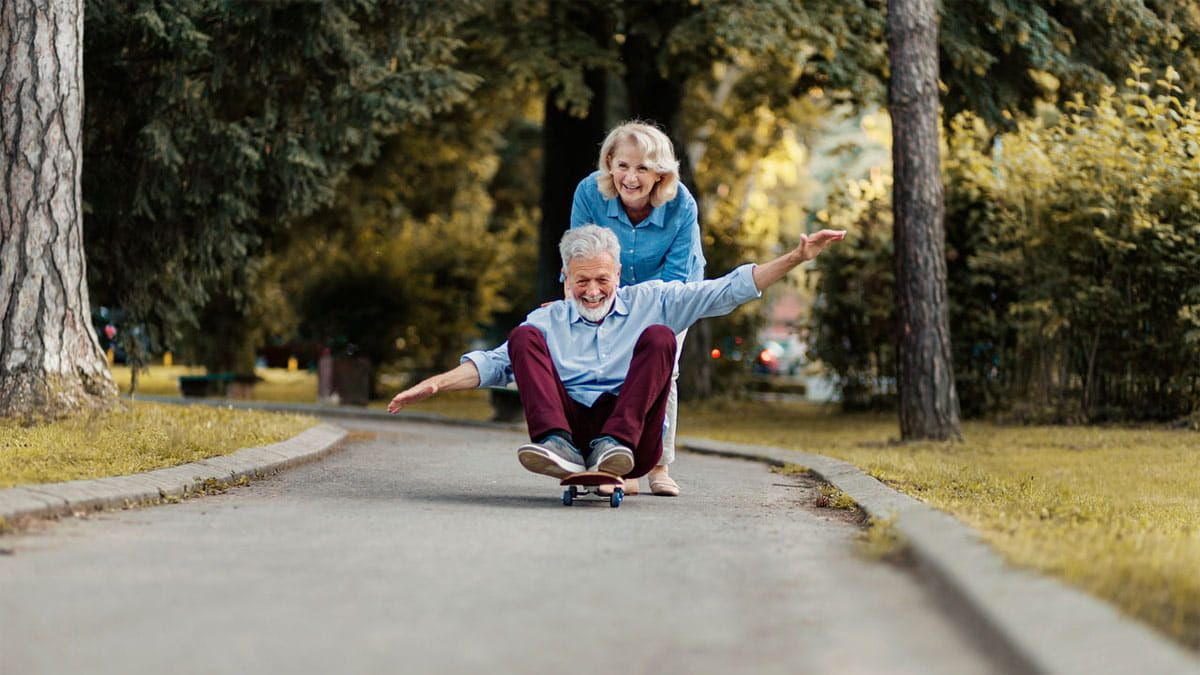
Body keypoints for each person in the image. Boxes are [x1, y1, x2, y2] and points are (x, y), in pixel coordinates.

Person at [387, 225, 846, 488]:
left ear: (618, 274)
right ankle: (558, 447)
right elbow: (494, 363)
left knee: (663, 337)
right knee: (524, 336)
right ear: (564, 277)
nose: (592, 291)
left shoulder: (653, 299)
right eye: (580, 281)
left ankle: (613, 447)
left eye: (602, 280)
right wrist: (435, 383)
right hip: (570, 424)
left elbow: (726, 290)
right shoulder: (548, 319)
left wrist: (795, 258)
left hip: (632, 439)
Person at [570, 121, 703, 496]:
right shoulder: (589, 193)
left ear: (660, 172)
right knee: (609, 365)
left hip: (669, 290)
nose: (631, 177)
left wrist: (635, 317)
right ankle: (619, 463)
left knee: (663, 367)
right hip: (606, 288)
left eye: (643, 168)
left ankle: (659, 465)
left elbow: (676, 279)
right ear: (609, 163)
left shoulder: (681, 203)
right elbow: (579, 253)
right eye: (623, 165)